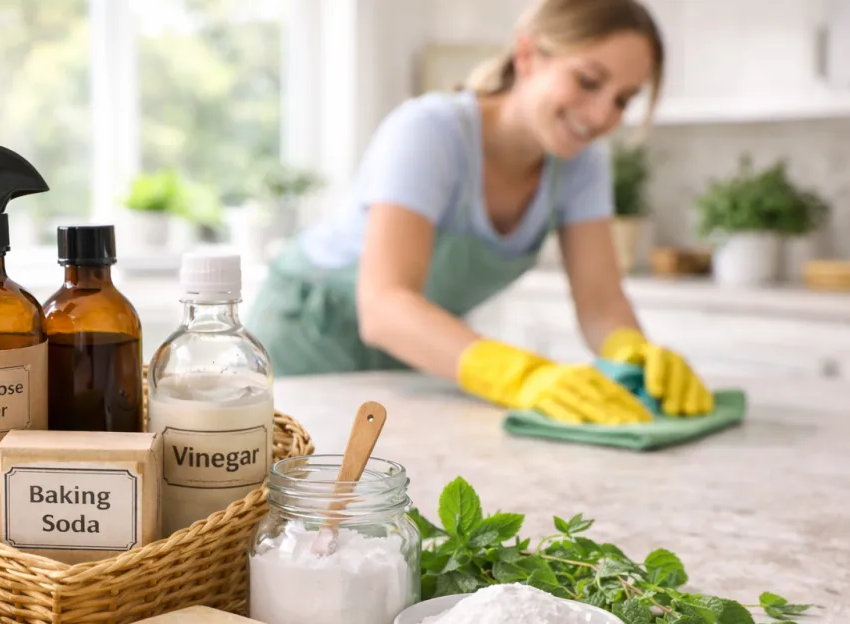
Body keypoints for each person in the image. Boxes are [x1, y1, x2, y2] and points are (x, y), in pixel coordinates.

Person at [244, 0, 713, 424]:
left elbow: (601, 303)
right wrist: (521, 376)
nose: (601, 116)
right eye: (588, 81)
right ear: (528, 56)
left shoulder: (581, 163)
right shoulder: (430, 132)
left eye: (624, 99)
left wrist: (632, 354)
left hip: (410, 356)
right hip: (304, 344)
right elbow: (385, 307)